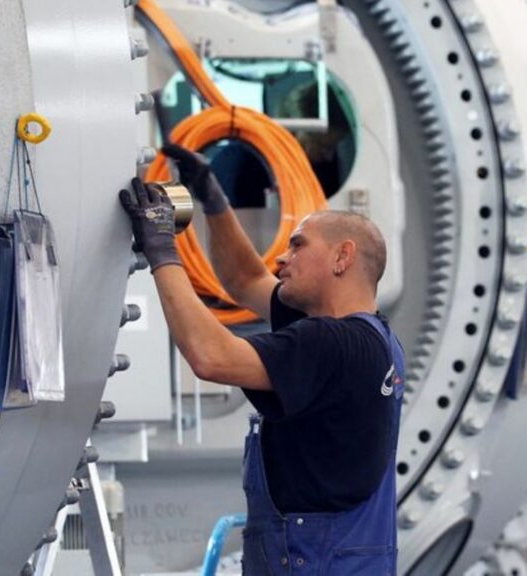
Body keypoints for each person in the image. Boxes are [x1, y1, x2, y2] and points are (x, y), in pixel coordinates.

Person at [119, 143, 405, 575]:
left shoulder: (330, 343)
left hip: (314, 560)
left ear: (342, 257)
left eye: (297, 245)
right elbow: (246, 279)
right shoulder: (375, 338)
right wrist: (212, 198)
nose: (282, 257)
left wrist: (161, 249)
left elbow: (211, 357)